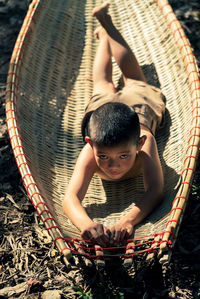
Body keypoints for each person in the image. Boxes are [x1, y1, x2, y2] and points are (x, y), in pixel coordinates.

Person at [63, 2, 165, 247]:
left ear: (138, 144)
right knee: (102, 84)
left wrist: (128, 221)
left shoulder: (145, 141)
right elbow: (70, 199)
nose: (114, 165)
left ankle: (106, 25)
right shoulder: (91, 150)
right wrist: (86, 225)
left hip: (138, 112)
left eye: (122, 156)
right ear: (90, 144)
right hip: (103, 114)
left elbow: (156, 190)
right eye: (104, 157)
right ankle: (104, 36)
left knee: (132, 78)